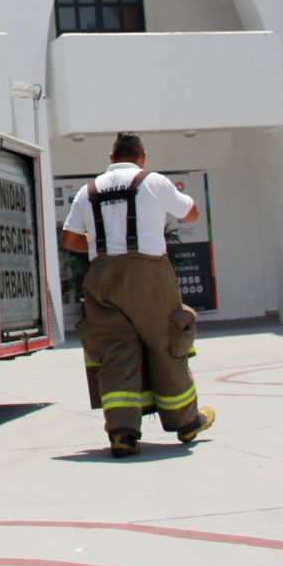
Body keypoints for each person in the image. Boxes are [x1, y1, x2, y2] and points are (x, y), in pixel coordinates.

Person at [61, 132, 215, 457]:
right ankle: (187, 422)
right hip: (148, 276)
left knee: (115, 353)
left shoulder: (88, 191)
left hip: (101, 277)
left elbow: (71, 241)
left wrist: (98, 239)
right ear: (142, 156)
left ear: (111, 156)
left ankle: (122, 434)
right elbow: (191, 214)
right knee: (167, 343)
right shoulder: (152, 181)